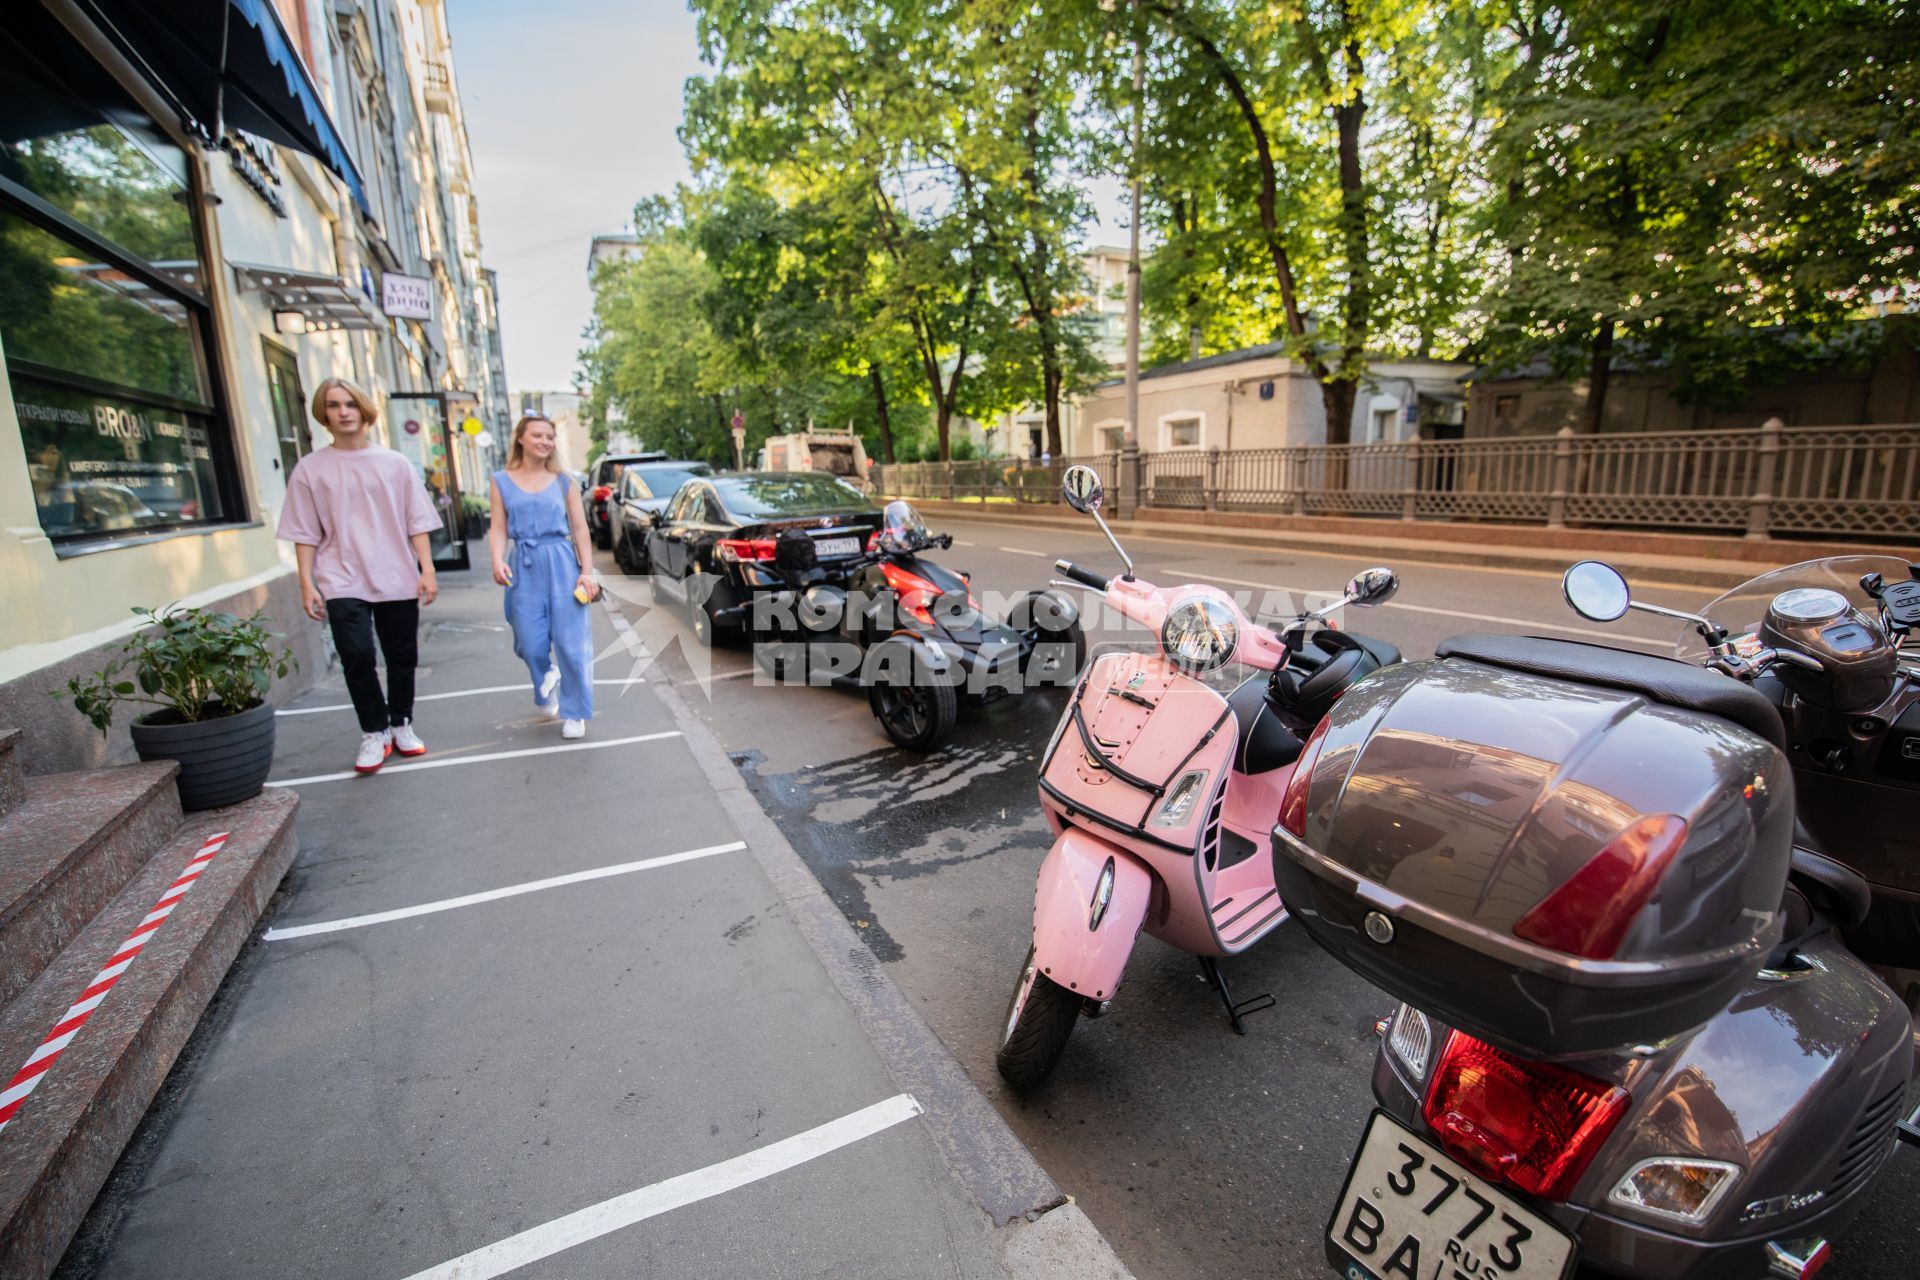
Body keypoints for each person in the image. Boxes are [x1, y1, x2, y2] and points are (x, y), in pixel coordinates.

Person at [278, 377, 443, 773]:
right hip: (340, 577)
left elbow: (415, 521)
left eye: (350, 404)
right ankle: (375, 730)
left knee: (401, 656)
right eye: (334, 405)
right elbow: (304, 531)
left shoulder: (394, 464)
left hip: (395, 573)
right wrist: (307, 582)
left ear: (364, 409)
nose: (343, 412)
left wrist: (427, 569)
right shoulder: (310, 469)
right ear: (324, 413)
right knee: (356, 654)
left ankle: (401, 723)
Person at [489, 413, 596, 738]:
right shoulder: (501, 480)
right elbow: (497, 528)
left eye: (549, 437)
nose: (545, 442)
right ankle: (545, 676)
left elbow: (580, 528)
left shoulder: (565, 480)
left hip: (562, 563)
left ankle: (575, 712)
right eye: (537, 435)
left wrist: (587, 573)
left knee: (570, 643)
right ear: (520, 438)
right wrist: (496, 559)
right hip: (523, 564)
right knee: (530, 643)